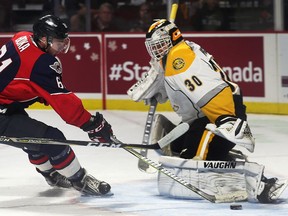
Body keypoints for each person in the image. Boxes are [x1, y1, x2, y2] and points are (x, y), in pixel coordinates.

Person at [127, 19, 288, 203]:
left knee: (193, 159)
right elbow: (177, 89)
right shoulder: (175, 55)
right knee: (177, 148)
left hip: (222, 117)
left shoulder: (180, 58)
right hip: (204, 118)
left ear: (173, 37)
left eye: (161, 44)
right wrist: (158, 79)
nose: (157, 50)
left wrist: (226, 119)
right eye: (154, 46)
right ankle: (220, 159)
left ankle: (258, 181)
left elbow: (212, 92)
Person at [0, 14, 113, 196]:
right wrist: (92, 124)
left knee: (34, 140)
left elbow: (18, 77)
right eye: (58, 42)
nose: (61, 47)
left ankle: (51, 175)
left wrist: (40, 93)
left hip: (7, 106)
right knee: (54, 140)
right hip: (2, 112)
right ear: (44, 39)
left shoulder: (22, 36)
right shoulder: (42, 63)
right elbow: (67, 107)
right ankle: (80, 181)